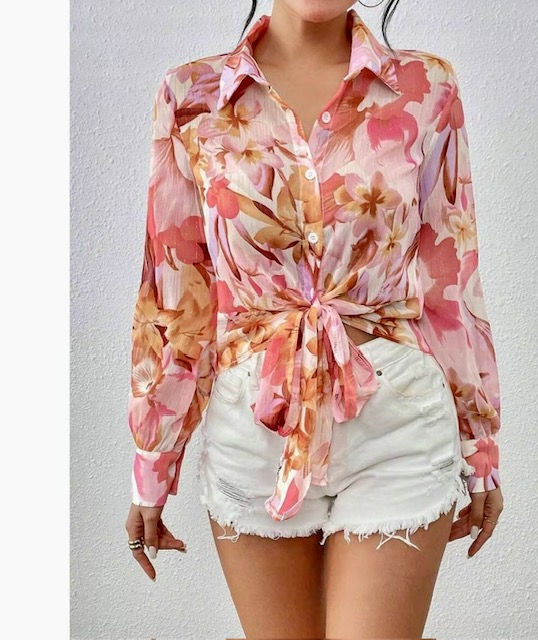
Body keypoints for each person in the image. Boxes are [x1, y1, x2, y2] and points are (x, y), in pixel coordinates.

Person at [124, 0, 505, 637]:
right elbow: (174, 294)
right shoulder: (191, 96)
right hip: (255, 426)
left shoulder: (426, 87)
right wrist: (152, 465)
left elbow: (451, 278)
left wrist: (481, 445)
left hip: (397, 422)